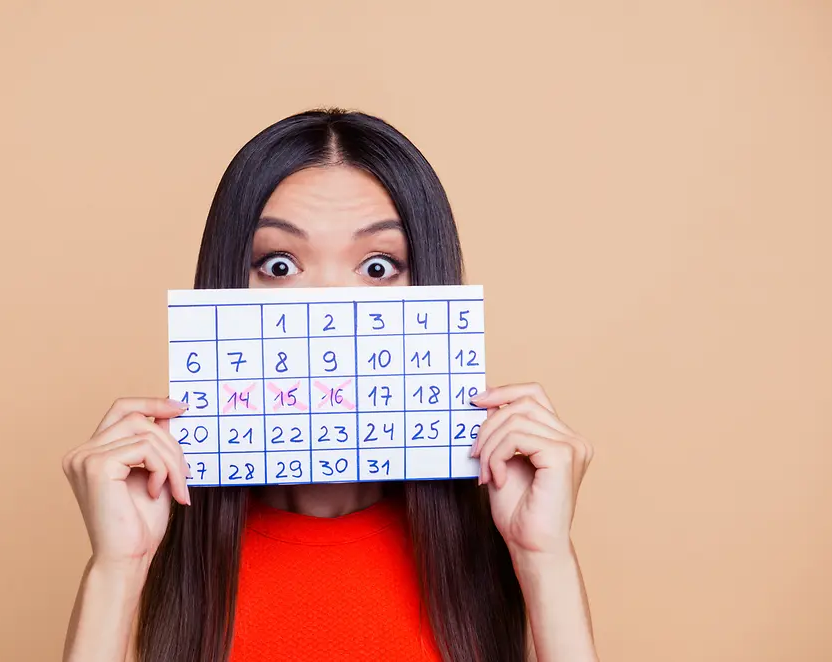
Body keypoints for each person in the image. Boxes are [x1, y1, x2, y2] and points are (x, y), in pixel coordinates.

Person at [61, 109, 598, 662]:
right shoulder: (146, 553)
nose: (327, 310)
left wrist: (545, 559)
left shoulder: (507, 551)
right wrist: (116, 570)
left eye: (377, 268)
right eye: (277, 265)